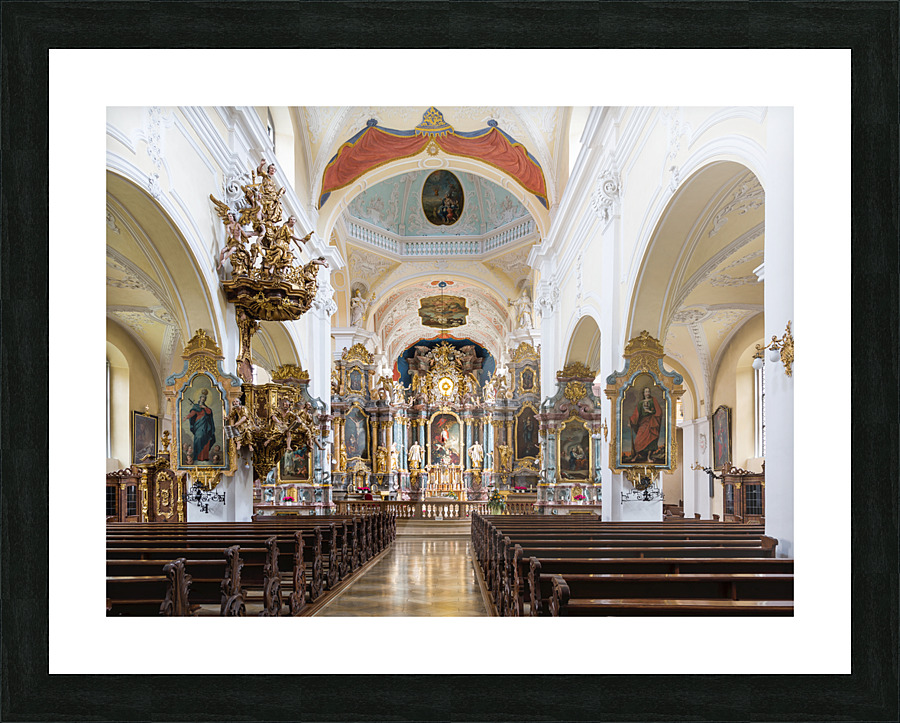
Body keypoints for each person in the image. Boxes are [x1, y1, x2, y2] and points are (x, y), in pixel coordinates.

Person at [629, 386, 662, 462]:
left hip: (651, 422)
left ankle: (648, 457)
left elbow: (658, 411)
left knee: (651, 439)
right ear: (643, 393)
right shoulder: (640, 403)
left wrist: (649, 412)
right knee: (638, 439)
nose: (647, 393)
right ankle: (636, 455)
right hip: (643, 423)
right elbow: (636, 413)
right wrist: (631, 421)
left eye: (648, 391)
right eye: (646, 392)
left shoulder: (653, 401)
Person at [185, 388, 216, 462]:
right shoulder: (196, 406)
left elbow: (209, 412)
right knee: (199, 438)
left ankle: (204, 456)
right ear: (200, 398)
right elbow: (192, 413)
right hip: (198, 425)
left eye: (204, 398)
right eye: (202, 397)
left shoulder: (206, 407)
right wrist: (187, 417)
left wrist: (204, 407)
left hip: (206, 426)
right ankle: (198, 456)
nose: (203, 399)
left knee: (206, 439)